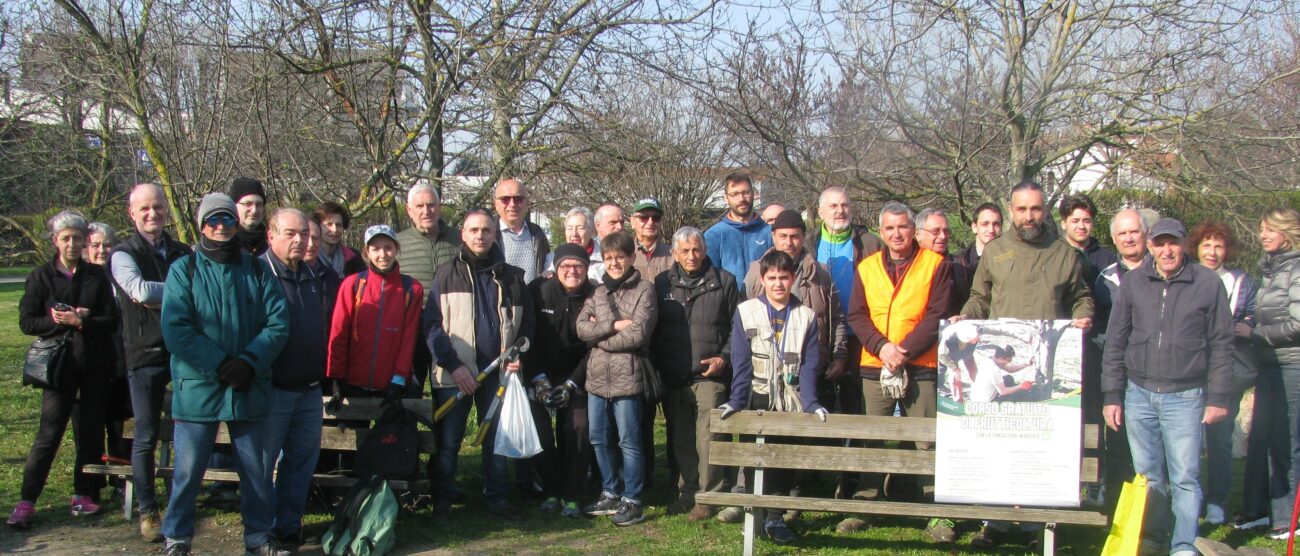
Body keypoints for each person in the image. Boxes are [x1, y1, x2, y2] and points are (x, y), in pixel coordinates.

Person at [955, 181, 1093, 548]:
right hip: (1003, 360)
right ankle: (996, 524)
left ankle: (1038, 529)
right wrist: (965, 319)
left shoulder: (1064, 254)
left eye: (1035, 209)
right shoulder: (996, 251)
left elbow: (1081, 297)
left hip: (1039, 364)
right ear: (1011, 210)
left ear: (1045, 211)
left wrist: (1083, 316)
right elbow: (979, 297)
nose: (1028, 216)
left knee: (1039, 446)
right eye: (1021, 209)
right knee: (999, 446)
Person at [158, 193, 290, 556]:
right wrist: (218, 364)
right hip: (199, 388)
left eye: (227, 220)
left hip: (249, 387)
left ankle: (259, 537)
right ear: (201, 225)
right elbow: (176, 329)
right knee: (187, 473)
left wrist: (249, 361)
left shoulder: (258, 269)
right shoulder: (183, 270)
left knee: (256, 473)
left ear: (236, 224)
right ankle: (178, 538)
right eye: (213, 220)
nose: (220, 227)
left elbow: (278, 323)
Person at [1101, 218, 1233, 555]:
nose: (1166, 250)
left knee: (1185, 478)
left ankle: (1184, 545)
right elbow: (1115, 342)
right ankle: (1154, 540)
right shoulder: (1133, 283)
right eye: (1159, 243)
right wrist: (1112, 395)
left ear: (1184, 244)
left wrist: (1218, 397)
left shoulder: (1206, 283)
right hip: (1139, 394)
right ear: (1150, 246)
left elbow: (1222, 344)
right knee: (1148, 476)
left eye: (1172, 242)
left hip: (1185, 396)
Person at [846, 202, 954, 542]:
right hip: (875, 365)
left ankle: (937, 513)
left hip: (921, 364)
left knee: (927, 440)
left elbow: (938, 314)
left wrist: (903, 351)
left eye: (903, 227)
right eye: (890, 228)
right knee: (872, 438)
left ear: (913, 229)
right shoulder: (866, 267)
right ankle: (866, 505)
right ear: (881, 231)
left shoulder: (936, 265)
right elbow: (857, 316)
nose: (896, 234)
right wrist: (882, 348)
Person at [423, 209, 534, 520]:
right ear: (463, 234)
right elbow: (432, 327)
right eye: (474, 230)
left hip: (498, 373)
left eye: (486, 230)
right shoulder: (446, 274)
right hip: (455, 374)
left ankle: (497, 497)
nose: (480, 236)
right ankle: (442, 501)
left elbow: (528, 328)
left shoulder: (513, 276)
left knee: (495, 439)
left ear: (494, 233)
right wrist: (455, 366)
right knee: (449, 442)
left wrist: (518, 354)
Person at [9, 211, 117, 529]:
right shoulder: (41, 277)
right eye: (66, 238)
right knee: (49, 432)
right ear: (55, 241)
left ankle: (83, 494)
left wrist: (82, 321)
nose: (72, 244)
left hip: (95, 364)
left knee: (89, 431)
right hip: (59, 367)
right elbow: (27, 322)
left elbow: (111, 321)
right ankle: (27, 500)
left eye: (77, 238)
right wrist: (56, 320)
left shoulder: (96, 277)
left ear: (85, 241)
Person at [720, 249, 827, 544]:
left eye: (783, 277)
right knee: (757, 459)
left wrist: (811, 402)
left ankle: (776, 517)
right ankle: (754, 514)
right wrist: (736, 400)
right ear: (762, 280)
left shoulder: (806, 316)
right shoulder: (747, 311)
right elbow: (740, 362)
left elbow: (809, 365)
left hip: (790, 401)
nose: (778, 284)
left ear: (793, 279)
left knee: (783, 460)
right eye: (772, 278)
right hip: (758, 397)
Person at [106, 183, 193, 540]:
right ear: (132, 213)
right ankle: (148, 510)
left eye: (157, 207)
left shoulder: (182, 251)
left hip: (184, 353)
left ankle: (179, 504)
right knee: (145, 435)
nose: (152, 214)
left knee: (186, 432)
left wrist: (165, 293)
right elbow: (139, 291)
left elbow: (196, 290)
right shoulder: (123, 253)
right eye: (144, 209)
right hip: (144, 354)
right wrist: (179, 291)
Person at [654, 227, 742, 521]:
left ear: (705, 250)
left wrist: (724, 358)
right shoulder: (662, 284)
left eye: (697, 250)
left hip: (709, 376)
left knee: (707, 437)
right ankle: (688, 492)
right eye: (685, 251)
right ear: (675, 254)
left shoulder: (725, 281)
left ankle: (710, 494)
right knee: (681, 438)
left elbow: (737, 329)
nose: (692, 256)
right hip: (675, 375)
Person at [576, 232, 658, 527]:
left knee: (629, 441)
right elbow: (582, 328)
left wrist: (600, 338)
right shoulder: (597, 293)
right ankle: (610, 491)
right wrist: (612, 325)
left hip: (628, 377)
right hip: (597, 379)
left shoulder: (645, 290)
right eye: (608, 258)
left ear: (631, 257)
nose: (614, 263)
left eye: (619, 257)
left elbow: (639, 333)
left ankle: (632, 498)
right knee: (598, 438)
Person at [259, 208, 330, 547]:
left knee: (301, 464)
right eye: (291, 233)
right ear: (271, 235)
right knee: (262, 464)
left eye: (304, 233)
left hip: (309, 390)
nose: (300, 240)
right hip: (272, 390)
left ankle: (288, 527)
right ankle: (260, 531)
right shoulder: (258, 274)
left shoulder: (313, 275)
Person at [807, 186, 883, 478]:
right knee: (821, 402)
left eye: (845, 205)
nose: (840, 211)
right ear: (821, 212)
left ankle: (856, 474)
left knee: (857, 403)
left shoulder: (870, 243)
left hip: (861, 336)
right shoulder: (810, 244)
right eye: (834, 206)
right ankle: (820, 472)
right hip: (820, 335)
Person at [1187, 221, 1258, 526]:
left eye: (1218, 246)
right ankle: (1191, 499)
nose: (1212, 252)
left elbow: (1253, 315)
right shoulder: (1185, 276)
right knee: (1187, 440)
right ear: (1197, 248)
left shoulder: (1241, 281)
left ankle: (1217, 500)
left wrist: (1247, 326)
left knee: (1220, 438)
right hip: (1189, 370)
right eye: (1207, 245)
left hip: (1226, 371)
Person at [1240, 208, 1300, 538]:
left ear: (1287, 234)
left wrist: (1255, 334)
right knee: (1260, 435)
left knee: (1285, 439)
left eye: (1269, 230)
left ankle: (1288, 519)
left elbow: (1297, 323)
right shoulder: (1271, 270)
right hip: (1269, 362)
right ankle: (1257, 511)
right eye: (1260, 229)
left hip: (1291, 364)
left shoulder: (1297, 267)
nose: (1262, 235)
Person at [525, 243, 595, 518]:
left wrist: (572, 384)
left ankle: (572, 492)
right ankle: (552, 487)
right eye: (565, 266)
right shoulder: (538, 291)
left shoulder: (595, 294)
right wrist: (539, 381)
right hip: (540, 372)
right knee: (538, 429)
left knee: (577, 426)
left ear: (587, 269)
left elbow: (595, 347)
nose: (572, 271)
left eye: (578, 266)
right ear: (555, 269)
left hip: (576, 376)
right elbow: (525, 337)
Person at [1090, 208, 1148, 510]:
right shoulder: (1106, 278)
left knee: (1151, 451)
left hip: (1155, 375)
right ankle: (1117, 513)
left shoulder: (1161, 273)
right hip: (1118, 374)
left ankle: (1154, 517)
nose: (1128, 238)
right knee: (1119, 446)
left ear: (1145, 234)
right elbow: (1100, 329)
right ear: (1114, 238)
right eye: (1122, 233)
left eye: (1134, 231)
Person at [326, 224, 423, 399]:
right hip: (353, 380)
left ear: (397, 249)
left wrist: (399, 378)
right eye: (375, 249)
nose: (382, 254)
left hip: (392, 382)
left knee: (392, 426)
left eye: (388, 248)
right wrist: (336, 377)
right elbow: (339, 333)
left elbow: (409, 338)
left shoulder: (412, 288)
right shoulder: (352, 284)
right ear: (367, 252)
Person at [80, 222, 132, 493]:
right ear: (85, 249)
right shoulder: (82, 279)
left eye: (107, 245)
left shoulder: (120, 275)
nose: (101, 250)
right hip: (88, 365)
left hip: (121, 361)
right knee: (89, 428)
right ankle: (90, 485)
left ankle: (122, 479)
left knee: (121, 425)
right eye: (95, 245)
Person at [395, 183, 461, 395]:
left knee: (447, 393)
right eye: (420, 206)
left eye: (431, 205)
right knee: (409, 393)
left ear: (440, 207)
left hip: (451, 329)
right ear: (409, 210)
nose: (426, 211)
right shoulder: (397, 244)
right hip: (411, 331)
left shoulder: (459, 240)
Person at [704, 173, 772, 281]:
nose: (741, 198)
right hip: (729, 297)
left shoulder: (769, 233)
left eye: (746, 192)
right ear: (726, 198)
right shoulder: (713, 236)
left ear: (754, 194)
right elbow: (709, 278)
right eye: (735, 194)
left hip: (763, 297)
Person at [915, 208, 969, 316]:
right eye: (935, 231)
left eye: (946, 231)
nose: (943, 236)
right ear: (918, 234)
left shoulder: (960, 266)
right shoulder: (908, 267)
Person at [494, 178, 550, 284]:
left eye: (518, 199)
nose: (512, 204)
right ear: (496, 204)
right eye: (505, 199)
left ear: (527, 204)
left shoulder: (538, 234)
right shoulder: (488, 235)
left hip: (533, 299)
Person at [1058, 194, 1117, 286]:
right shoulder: (1053, 256)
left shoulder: (1107, 260)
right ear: (1063, 224)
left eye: (1086, 221)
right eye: (1075, 221)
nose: (1081, 226)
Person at [545, 207, 604, 283]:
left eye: (580, 228)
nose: (574, 234)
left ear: (592, 231)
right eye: (569, 228)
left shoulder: (605, 257)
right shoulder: (552, 258)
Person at [314, 201, 365, 276]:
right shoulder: (309, 258)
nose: (335, 229)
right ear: (318, 226)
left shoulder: (354, 258)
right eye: (329, 224)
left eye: (339, 225)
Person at [628, 198, 673, 281]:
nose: (650, 222)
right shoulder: (625, 254)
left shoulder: (673, 254)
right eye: (644, 217)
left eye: (656, 218)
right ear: (632, 222)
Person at [956, 202, 1003, 277]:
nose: (991, 230)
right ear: (974, 227)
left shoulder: (1011, 259)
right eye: (985, 224)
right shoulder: (958, 262)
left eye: (996, 224)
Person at [230, 177, 270, 256]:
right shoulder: (226, 244)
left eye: (259, 205)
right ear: (234, 206)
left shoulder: (272, 243)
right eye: (248, 204)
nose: (254, 210)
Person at [591, 203, 625, 281]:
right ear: (598, 226)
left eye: (622, 222)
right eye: (613, 222)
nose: (619, 227)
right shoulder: (589, 254)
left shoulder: (630, 250)